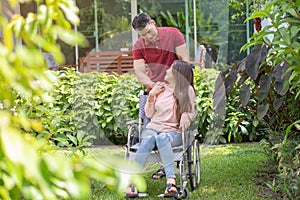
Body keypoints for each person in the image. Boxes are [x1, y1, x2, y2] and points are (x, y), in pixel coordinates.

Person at [132, 12, 189, 179]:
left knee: (170, 130)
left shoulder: (173, 34)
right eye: (143, 35)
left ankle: (169, 168)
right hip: (155, 91)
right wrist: (153, 86)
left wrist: (176, 86)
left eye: (149, 32)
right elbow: (140, 73)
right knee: (151, 130)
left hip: (177, 88)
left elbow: (184, 61)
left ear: (153, 23)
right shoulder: (139, 45)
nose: (147, 38)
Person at [125, 60, 195, 198]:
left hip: (173, 132)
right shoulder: (159, 89)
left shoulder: (187, 90)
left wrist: (187, 115)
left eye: (170, 69)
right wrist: (151, 96)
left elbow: (191, 111)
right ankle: (133, 181)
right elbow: (149, 115)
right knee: (150, 137)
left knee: (162, 137)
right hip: (153, 128)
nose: (167, 70)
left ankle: (171, 182)